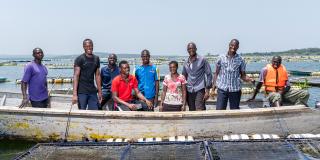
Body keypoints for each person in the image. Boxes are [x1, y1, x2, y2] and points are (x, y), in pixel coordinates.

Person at [212, 39, 254, 110]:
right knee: (219, 110)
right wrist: (213, 88)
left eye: (235, 46)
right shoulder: (221, 58)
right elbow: (216, 73)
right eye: (232, 45)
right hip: (222, 89)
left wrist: (250, 79)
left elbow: (243, 75)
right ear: (229, 45)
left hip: (235, 90)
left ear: (238, 47)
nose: (233, 47)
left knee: (234, 111)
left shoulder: (241, 59)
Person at [72, 39, 102, 110]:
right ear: (84, 47)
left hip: (92, 91)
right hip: (82, 91)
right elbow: (76, 76)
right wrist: (74, 94)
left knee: (94, 111)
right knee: (82, 112)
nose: (89, 48)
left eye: (91, 46)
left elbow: (97, 75)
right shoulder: (79, 59)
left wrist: (100, 92)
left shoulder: (96, 59)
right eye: (87, 46)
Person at [182, 42, 212, 111]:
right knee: (191, 110)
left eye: (192, 48)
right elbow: (184, 77)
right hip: (189, 89)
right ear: (187, 50)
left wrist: (207, 91)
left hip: (200, 89)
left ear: (196, 49)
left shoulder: (202, 60)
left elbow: (209, 74)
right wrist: (183, 91)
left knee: (199, 108)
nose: (191, 50)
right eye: (189, 48)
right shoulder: (186, 62)